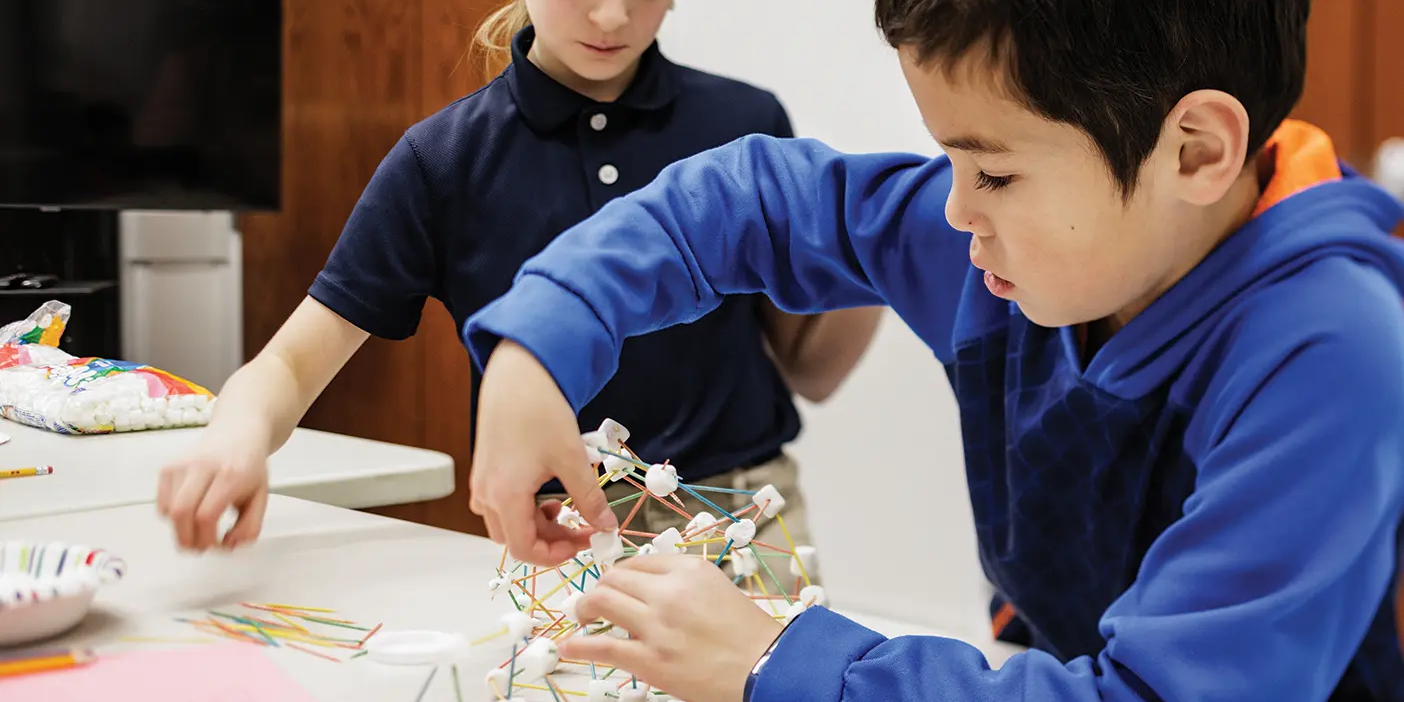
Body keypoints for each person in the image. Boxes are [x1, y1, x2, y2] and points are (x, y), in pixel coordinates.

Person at [461, 1, 1404, 701]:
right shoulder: (1002, 246)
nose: (955, 211)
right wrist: (538, 344)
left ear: (1195, 150)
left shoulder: (1333, 352)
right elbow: (749, 201)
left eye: (992, 171)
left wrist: (775, 661)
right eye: (949, 160)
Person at [154, 0, 882, 567]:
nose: (610, 17)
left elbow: (810, 369)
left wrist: (873, 243)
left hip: (744, 517)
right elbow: (289, 361)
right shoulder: (442, 160)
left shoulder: (746, 123)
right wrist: (235, 437)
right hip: (558, 540)